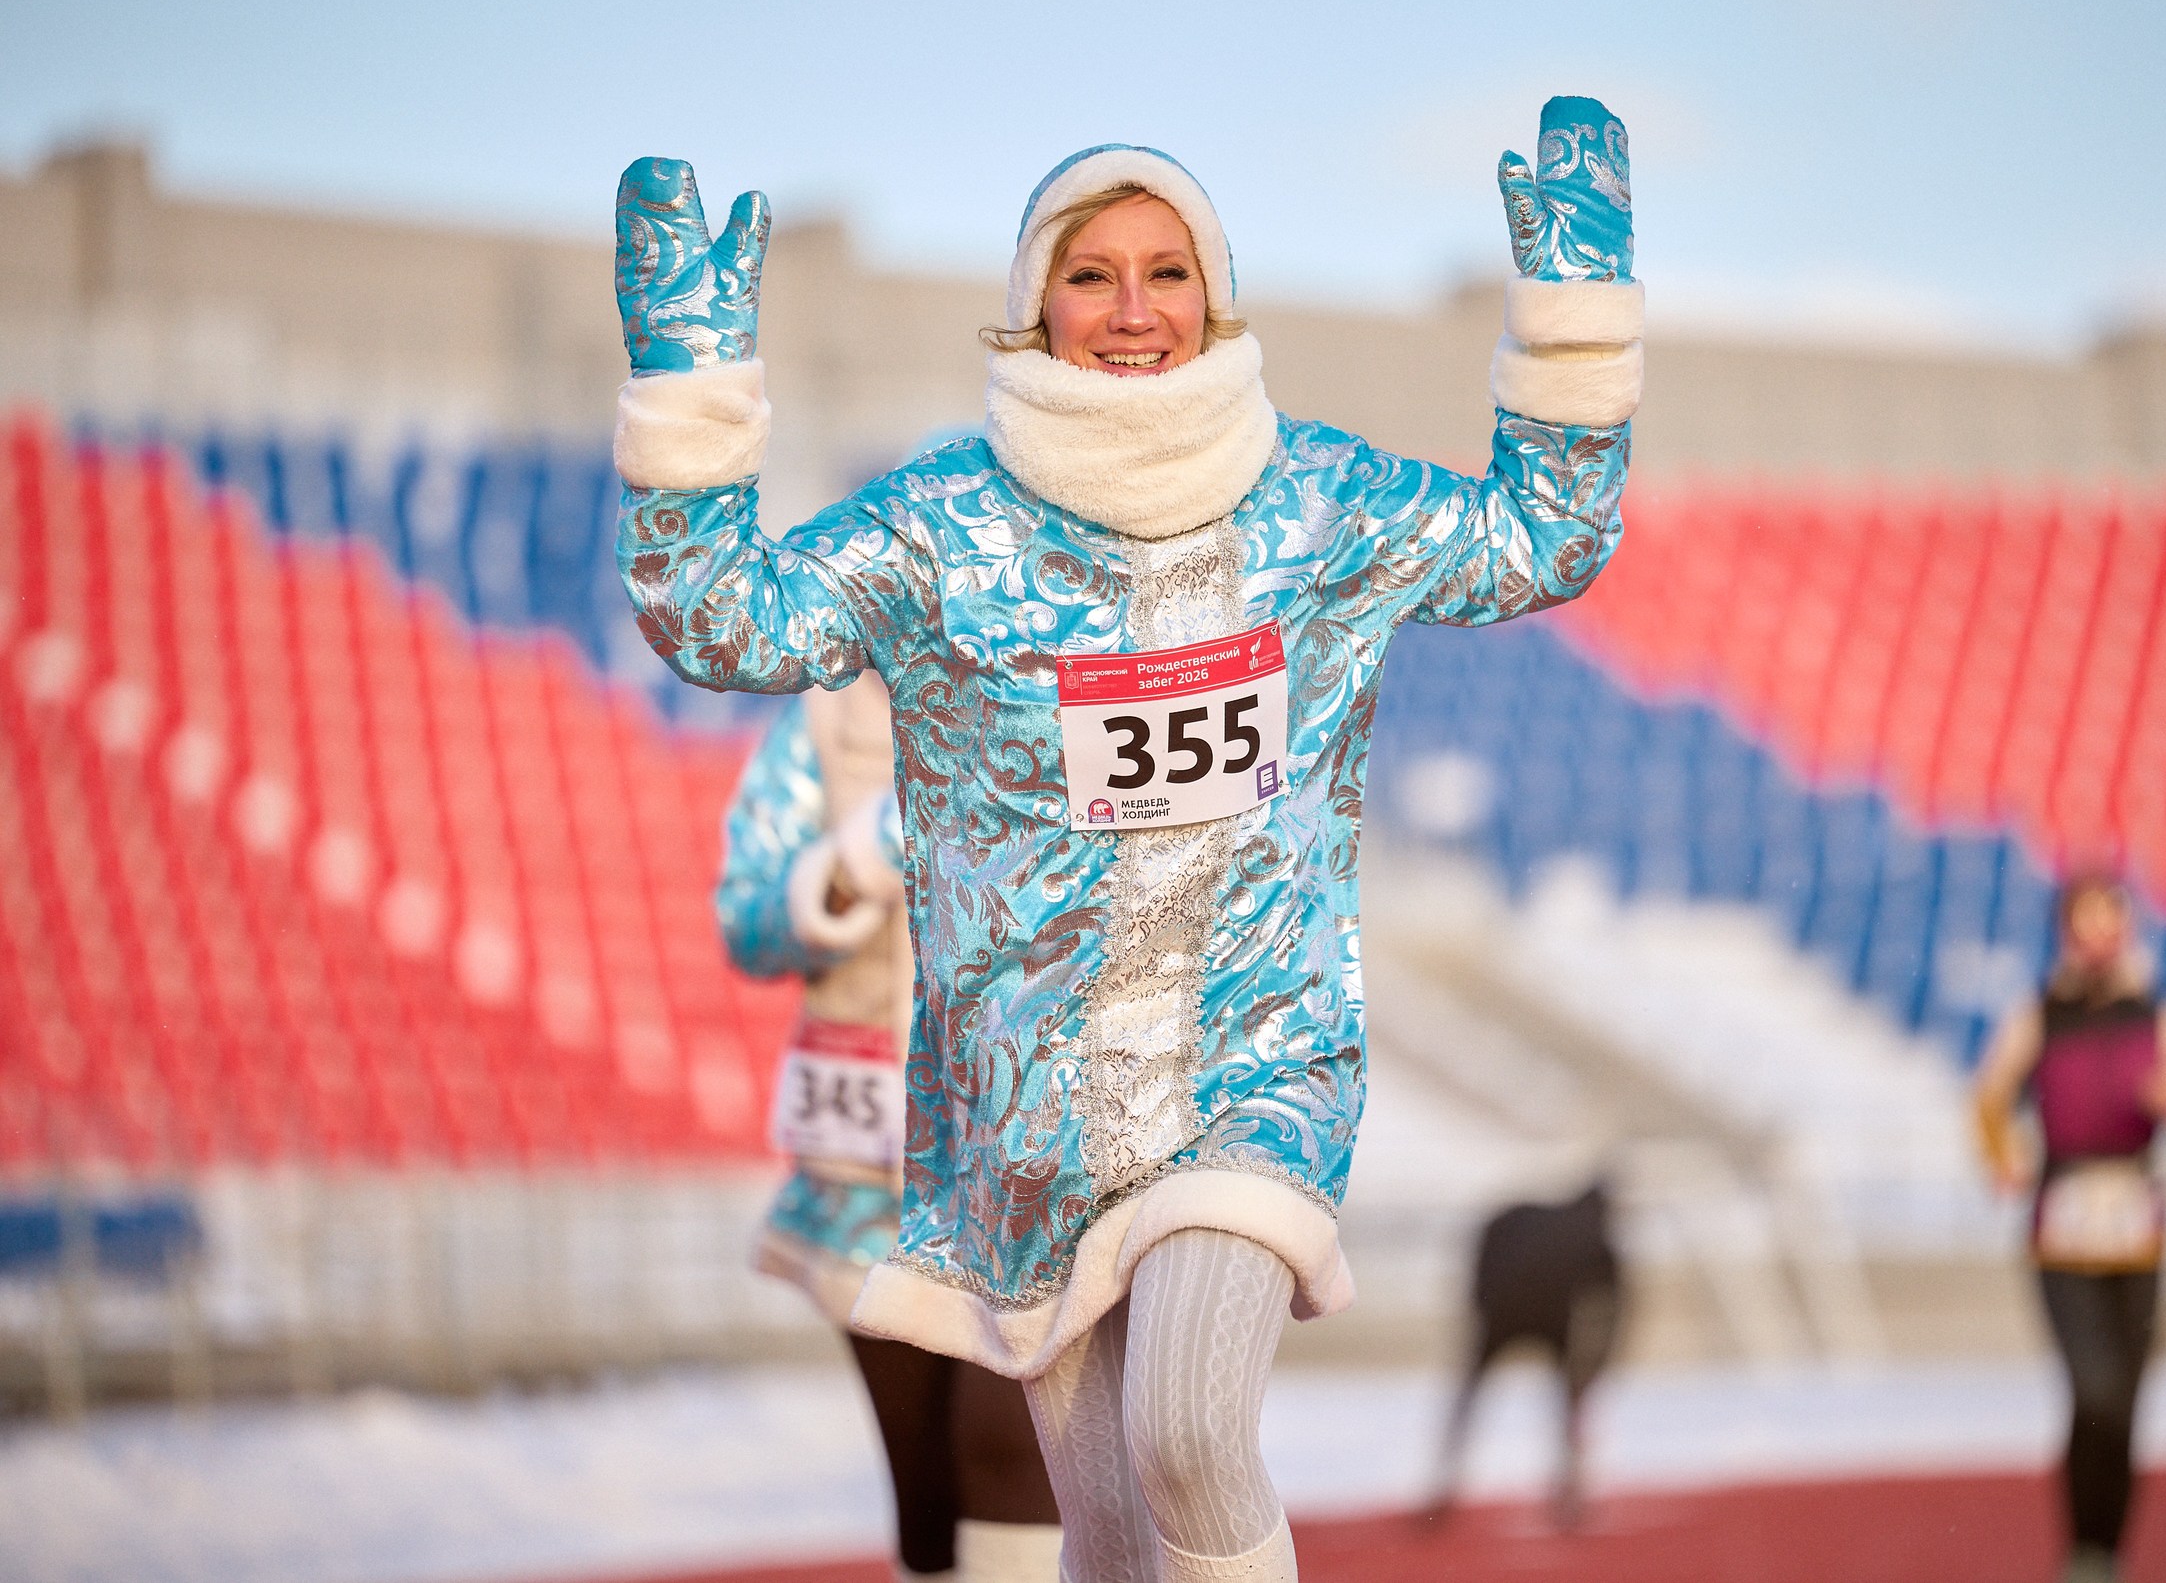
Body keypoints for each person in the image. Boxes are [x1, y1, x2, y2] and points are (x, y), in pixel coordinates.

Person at [609, 95, 1643, 1583]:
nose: (1134, 309)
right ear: (1036, 301)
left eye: (1168, 272)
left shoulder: (1322, 500)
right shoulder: (941, 524)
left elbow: (1543, 540)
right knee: (1104, 1537)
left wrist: (1574, 334)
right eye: (1091, 274)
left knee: (1191, 1435)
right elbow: (724, 621)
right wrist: (690, 397)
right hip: (1032, 1115)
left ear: (1215, 296)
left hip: (1259, 1070)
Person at [719, 675, 1062, 1583]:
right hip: (872, 1187)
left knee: (1010, 1455)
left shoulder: (1062, 672)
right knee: (928, 1503)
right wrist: (854, 862)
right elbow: (744, 923)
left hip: (1030, 1162)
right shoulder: (826, 718)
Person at [1973, 870, 2166, 1583]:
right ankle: (2084, 1553)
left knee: (2124, 1403)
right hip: (2062, 1229)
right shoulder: (2039, 1014)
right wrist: (2004, 1157)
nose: (2097, 937)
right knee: (2093, 1390)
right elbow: (1990, 1099)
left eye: (2110, 920)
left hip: (2137, 1231)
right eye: (2084, 921)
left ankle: (2107, 1551)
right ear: (2065, 931)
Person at [1427, 1178, 1622, 1529]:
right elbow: (1612, 1310)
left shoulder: (1520, 1214)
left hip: (1501, 1315)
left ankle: (1441, 1489)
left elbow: (1484, 1248)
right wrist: (1591, 1372)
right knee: (1569, 1405)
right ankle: (1570, 1499)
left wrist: (1482, 1307)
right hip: (1552, 1323)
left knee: (1468, 1399)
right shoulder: (1596, 1237)